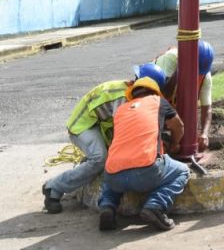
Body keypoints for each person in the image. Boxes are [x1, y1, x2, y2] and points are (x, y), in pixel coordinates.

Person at [41, 63, 166, 214]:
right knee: (99, 159)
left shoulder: (130, 92)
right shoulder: (123, 97)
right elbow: (123, 129)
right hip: (83, 125)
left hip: (97, 124)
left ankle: (80, 173)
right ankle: (53, 187)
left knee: (104, 159)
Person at [97, 75, 190, 232]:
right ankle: (155, 206)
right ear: (155, 92)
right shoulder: (158, 101)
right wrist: (174, 144)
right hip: (146, 172)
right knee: (182, 171)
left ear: (132, 95)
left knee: (111, 167)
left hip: (114, 177)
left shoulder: (121, 110)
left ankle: (107, 207)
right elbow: (178, 126)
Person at [145, 39, 214, 151]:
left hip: (173, 103)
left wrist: (204, 133)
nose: (195, 75)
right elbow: (164, 93)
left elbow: (207, 108)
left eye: (198, 72)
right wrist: (180, 71)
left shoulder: (205, 75)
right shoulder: (170, 59)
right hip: (152, 100)